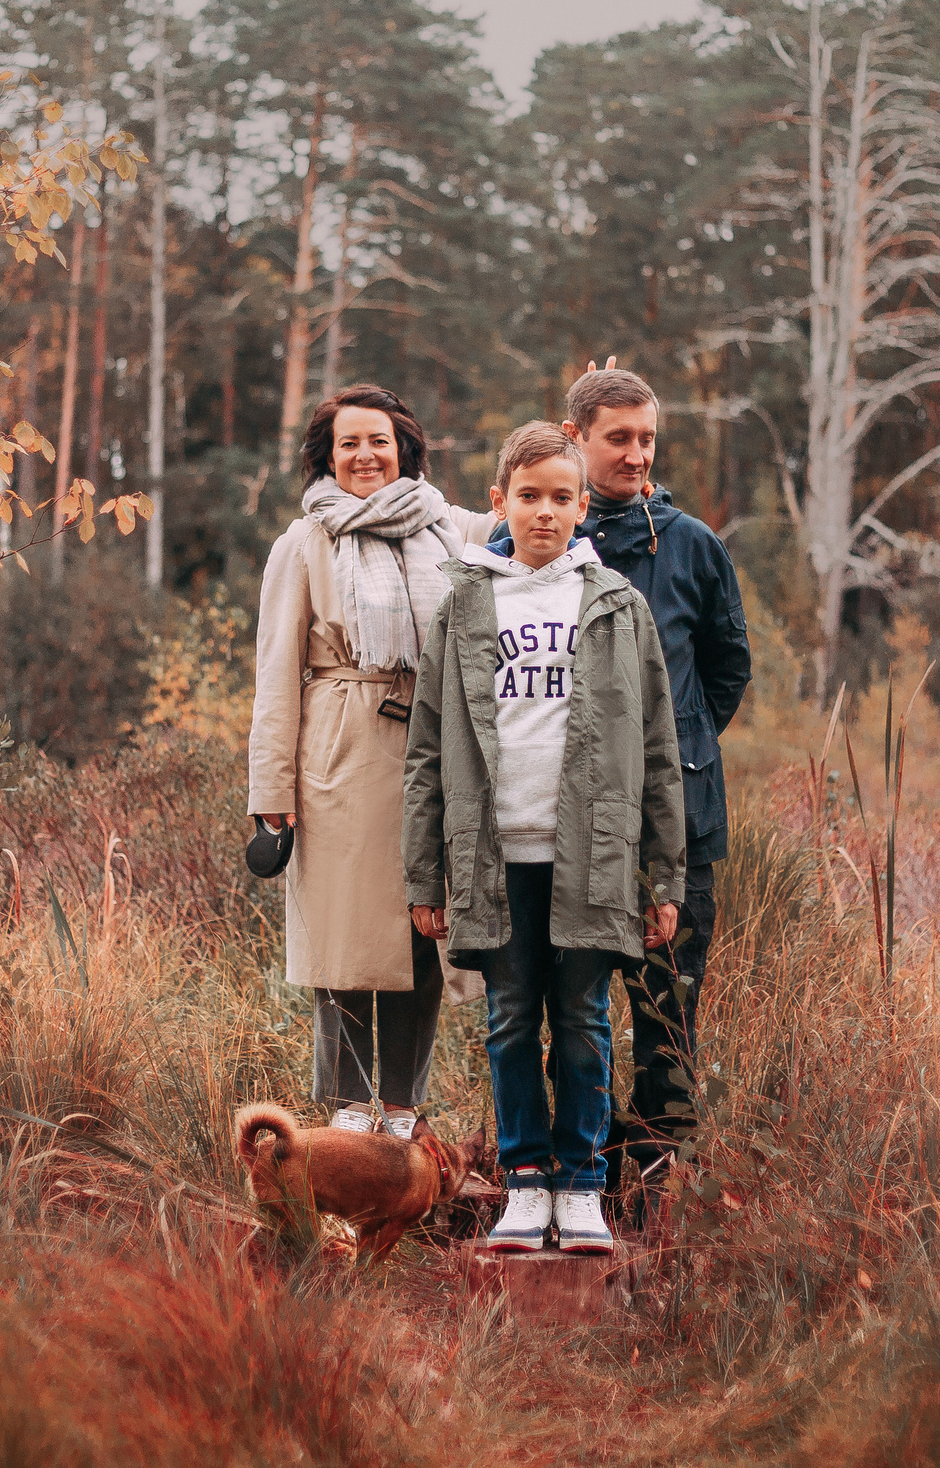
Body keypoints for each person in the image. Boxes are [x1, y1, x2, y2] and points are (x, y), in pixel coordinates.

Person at [405, 421, 685, 1254]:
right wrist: (425, 875)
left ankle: (583, 1183)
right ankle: (526, 1181)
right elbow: (427, 750)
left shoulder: (617, 605)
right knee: (510, 1021)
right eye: (528, 496)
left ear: (582, 507)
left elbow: (658, 747)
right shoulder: (465, 604)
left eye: (562, 497)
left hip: (592, 856)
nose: (545, 512)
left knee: (586, 1021)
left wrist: (664, 876)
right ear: (500, 502)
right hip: (495, 857)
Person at [249, 384, 493, 1138]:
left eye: (378, 440)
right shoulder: (303, 543)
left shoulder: (452, 529)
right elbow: (275, 671)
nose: (364, 455)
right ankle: (351, 1106)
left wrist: (572, 435)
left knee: (425, 926)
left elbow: (533, 503)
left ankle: (403, 1106)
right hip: (340, 754)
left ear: (404, 448)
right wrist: (271, 791)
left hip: (434, 749)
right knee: (345, 936)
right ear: (327, 456)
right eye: (348, 443)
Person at [559, 366, 752, 1176]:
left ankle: (657, 1182)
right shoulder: (540, 536)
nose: (638, 455)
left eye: (647, 438)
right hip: (566, 820)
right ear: (575, 439)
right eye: (619, 438)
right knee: (570, 1011)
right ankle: (580, 1173)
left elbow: (728, 666)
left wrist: (676, 749)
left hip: (682, 821)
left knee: (669, 1011)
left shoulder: (694, 543)